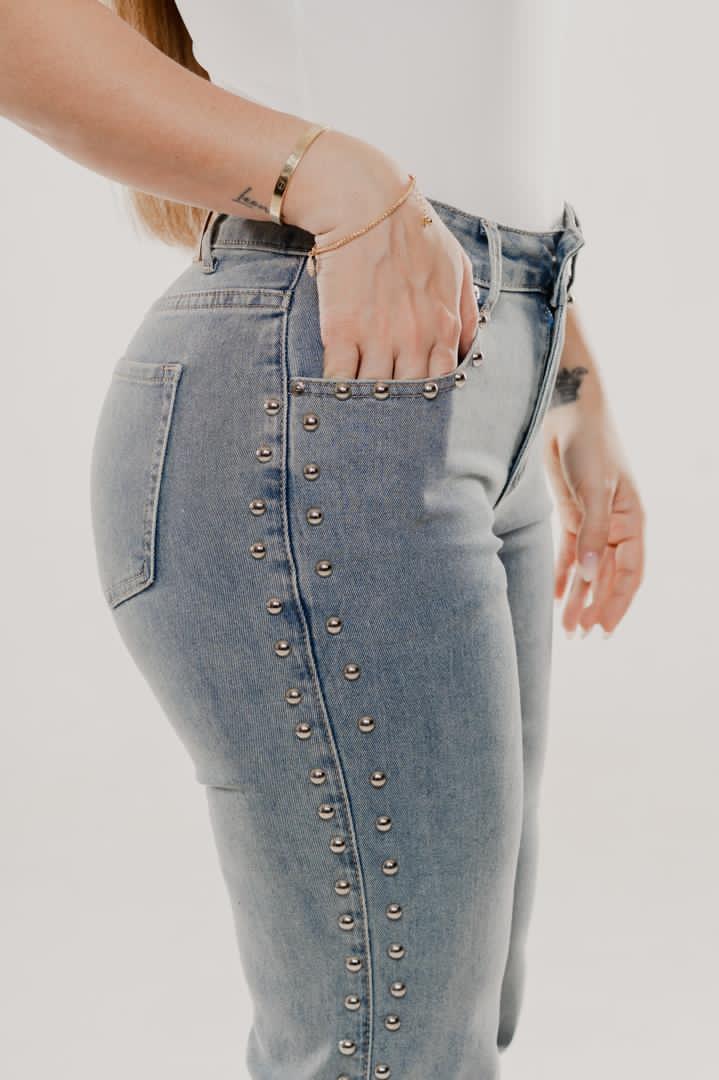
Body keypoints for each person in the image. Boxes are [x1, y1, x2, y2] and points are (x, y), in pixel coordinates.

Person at [0, 2, 646, 1077]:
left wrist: (571, 395)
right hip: (321, 398)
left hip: (461, 373)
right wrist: (324, 173)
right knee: (394, 1047)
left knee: (451, 1020)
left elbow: (452, 100)